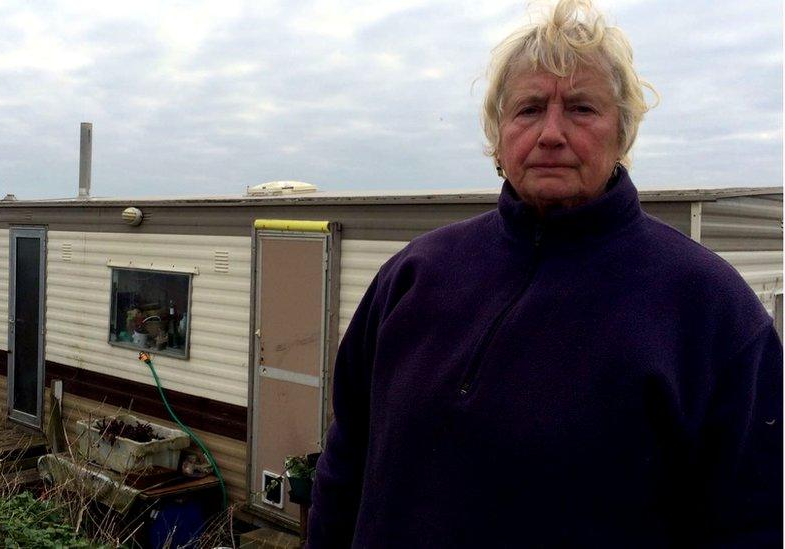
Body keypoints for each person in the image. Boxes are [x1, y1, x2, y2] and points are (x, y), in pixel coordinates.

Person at [307, 0, 783, 546]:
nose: (551, 133)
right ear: (499, 135)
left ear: (621, 135)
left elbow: (753, 524)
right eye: (530, 109)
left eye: (581, 109)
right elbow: (344, 465)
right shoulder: (413, 276)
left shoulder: (710, 311)